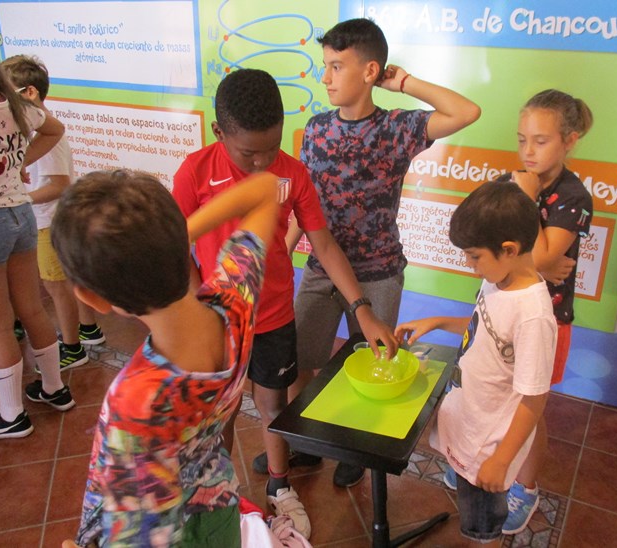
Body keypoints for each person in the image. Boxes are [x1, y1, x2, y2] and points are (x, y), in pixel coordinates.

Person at [172, 68, 397, 539]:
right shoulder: (195, 171)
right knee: (221, 413)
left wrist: (362, 308)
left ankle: (280, 485)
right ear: (218, 133)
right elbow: (176, 245)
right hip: (217, 322)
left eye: (271, 149)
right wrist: (197, 299)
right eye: (248, 153)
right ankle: (221, 492)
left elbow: (324, 245)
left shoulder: (292, 174)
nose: (261, 163)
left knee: (273, 404)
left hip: (273, 316)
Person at [291, 17, 481, 487]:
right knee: (301, 359)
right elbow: (304, 202)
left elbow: (466, 111)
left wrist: (405, 82)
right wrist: (280, 249)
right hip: (321, 269)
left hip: (377, 273)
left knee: (372, 364)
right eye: (325, 65)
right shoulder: (316, 129)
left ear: (370, 70)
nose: (326, 77)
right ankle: (304, 445)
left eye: (337, 66)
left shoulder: (397, 128)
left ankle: (356, 449)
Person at [56, 169, 279, 547]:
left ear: (93, 299)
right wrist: (173, 239)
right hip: (220, 512)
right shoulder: (234, 300)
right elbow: (266, 189)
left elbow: (141, 537)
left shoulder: (136, 403)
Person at [395, 181, 557, 546]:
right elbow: (484, 327)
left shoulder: (532, 315)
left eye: (474, 256)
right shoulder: (500, 280)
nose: (469, 266)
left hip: (489, 446)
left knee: (482, 525)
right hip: (472, 420)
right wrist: (438, 321)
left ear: (509, 249)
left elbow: (534, 399)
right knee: (471, 498)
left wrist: (501, 461)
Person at [497, 89, 594, 534]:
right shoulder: (511, 180)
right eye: (522, 140)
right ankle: (490, 461)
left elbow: (539, 256)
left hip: (547, 320)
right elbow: (485, 239)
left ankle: (526, 487)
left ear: (569, 140)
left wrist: (527, 201)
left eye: (540, 141)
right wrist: (539, 262)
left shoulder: (573, 196)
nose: (528, 151)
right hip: (501, 309)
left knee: (529, 407)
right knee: (496, 394)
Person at [1, 54, 105, 373]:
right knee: (66, 282)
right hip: (49, 219)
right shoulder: (31, 131)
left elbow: (60, 185)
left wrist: (21, 197)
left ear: (30, 93)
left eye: (7, 94)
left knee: (56, 288)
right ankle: (88, 330)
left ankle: (72, 347)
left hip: (49, 222)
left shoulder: (46, 135)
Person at [0, 48, 74, 440]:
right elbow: (54, 129)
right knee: (31, 307)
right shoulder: (14, 105)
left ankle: (12, 415)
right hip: (20, 215)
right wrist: (20, 160)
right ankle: (54, 387)